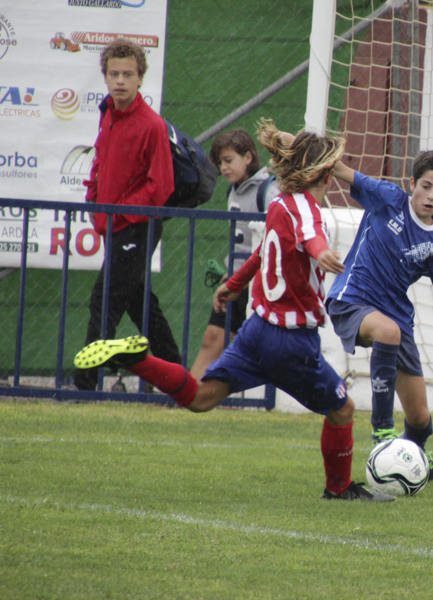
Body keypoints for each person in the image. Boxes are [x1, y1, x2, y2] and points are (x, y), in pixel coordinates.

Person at [74, 120, 393, 502]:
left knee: (201, 397)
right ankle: (339, 488)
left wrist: (233, 284)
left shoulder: (277, 204)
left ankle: (137, 359)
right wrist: (321, 252)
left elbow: (261, 253)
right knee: (342, 409)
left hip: (256, 330)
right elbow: (312, 236)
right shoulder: (307, 209)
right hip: (291, 341)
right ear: (324, 177)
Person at [326, 149, 433, 482]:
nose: (431, 196)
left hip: (396, 318)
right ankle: (383, 434)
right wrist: (301, 145)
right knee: (388, 333)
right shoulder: (389, 198)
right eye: (426, 186)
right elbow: (341, 170)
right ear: (412, 183)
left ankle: (413, 455)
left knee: (419, 417)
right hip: (353, 298)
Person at [73, 38, 181, 391]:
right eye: (114, 73)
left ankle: (84, 385)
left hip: (136, 228)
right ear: (105, 77)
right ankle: (176, 374)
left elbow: (160, 186)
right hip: (114, 226)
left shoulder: (151, 125)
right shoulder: (107, 113)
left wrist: (118, 216)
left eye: (128, 74)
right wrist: (94, 201)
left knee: (104, 301)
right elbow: (101, 161)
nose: (120, 80)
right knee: (139, 303)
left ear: (140, 79)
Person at [189, 129, 279, 379]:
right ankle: (190, 397)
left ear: (248, 157)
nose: (224, 168)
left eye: (228, 160)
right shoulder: (232, 191)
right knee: (213, 338)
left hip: (258, 285)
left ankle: (203, 396)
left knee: (249, 349)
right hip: (236, 282)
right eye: (220, 163)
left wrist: (246, 273)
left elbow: (275, 243)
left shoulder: (268, 191)